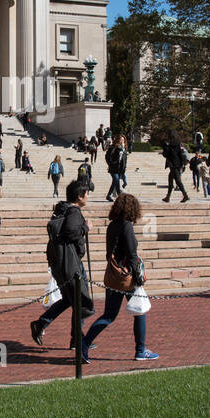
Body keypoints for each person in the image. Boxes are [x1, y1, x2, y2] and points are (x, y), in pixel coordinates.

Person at [83, 192, 158, 361]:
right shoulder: (127, 226)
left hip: (114, 274)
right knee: (140, 311)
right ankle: (140, 350)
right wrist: (135, 273)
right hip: (127, 276)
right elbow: (132, 253)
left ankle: (84, 343)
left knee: (109, 315)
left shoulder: (112, 225)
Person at [31, 180, 93, 358]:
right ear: (79, 196)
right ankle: (77, 340)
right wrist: (85, 228)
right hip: (72, 263)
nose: (88, 196)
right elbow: (71, 231)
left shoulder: (61, 209)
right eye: (86, 193)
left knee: (68, 299)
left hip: (61, 262)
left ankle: (42, 324)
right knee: (79, 299)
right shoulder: (74, 211)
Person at [161, 130, 189, 203]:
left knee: (178, 181)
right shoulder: (179, 144)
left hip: (173, 165)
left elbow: (166, 154)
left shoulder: (169, 145)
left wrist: (164, 147)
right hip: (178, 164)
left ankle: (185, 195)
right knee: (170, 179)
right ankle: (168, 197)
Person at [105, 134, 128, 201]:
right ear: (118, 140)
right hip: (113, 167)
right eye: (121, 139)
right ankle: (110, 195)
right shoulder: (113, 147)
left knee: (116, 181)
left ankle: (117, 195)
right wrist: (111, 164)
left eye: (123, 140)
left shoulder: (124, 149)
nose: (122, 141)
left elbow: (124, 159)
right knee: (116, 179)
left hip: (120, 168)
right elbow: (107, 157)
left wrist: (124, 167)